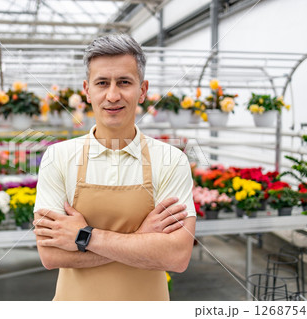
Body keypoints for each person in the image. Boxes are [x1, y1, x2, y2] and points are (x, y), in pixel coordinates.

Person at [33, 34, 196, 301]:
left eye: (124, 82)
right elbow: (50, 255)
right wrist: (141, 238)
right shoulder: (58, 158)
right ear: (87, 90)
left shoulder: (171, 160)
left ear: (142, 90)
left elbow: (176, 256)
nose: (112, 95)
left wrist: (83, 237)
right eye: (102, 83)